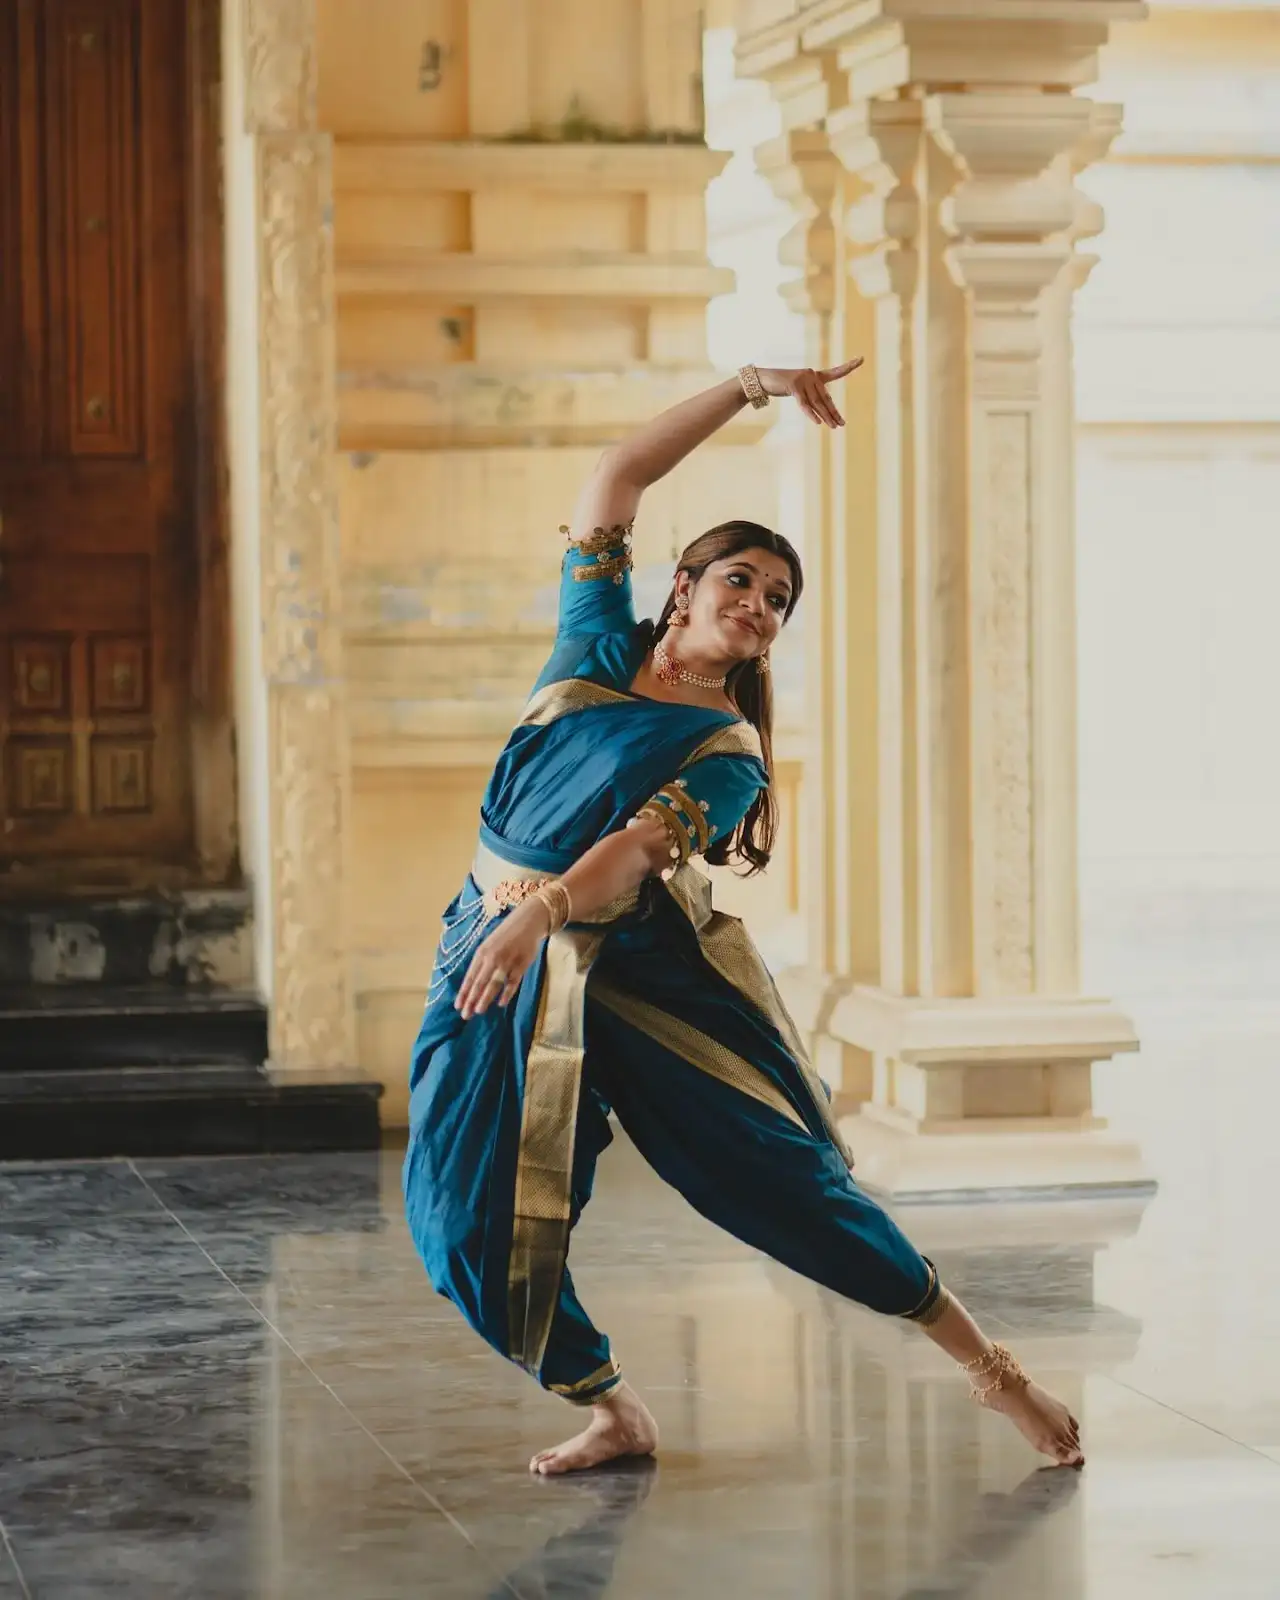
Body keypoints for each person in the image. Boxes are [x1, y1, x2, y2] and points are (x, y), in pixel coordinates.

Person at [403, 362, 1084, 1477]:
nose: (758, 603)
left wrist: (540, 919)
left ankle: (993, 1372)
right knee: (460, 1222)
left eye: (776, 599)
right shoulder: (590, 646)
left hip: (637, 978)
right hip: (490, 948)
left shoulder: (728, 755)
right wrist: (746, 388)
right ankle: (611, 1406)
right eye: (741, 577)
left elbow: (629, 855)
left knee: (783, 1189)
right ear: (681, 584)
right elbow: (615, 472)